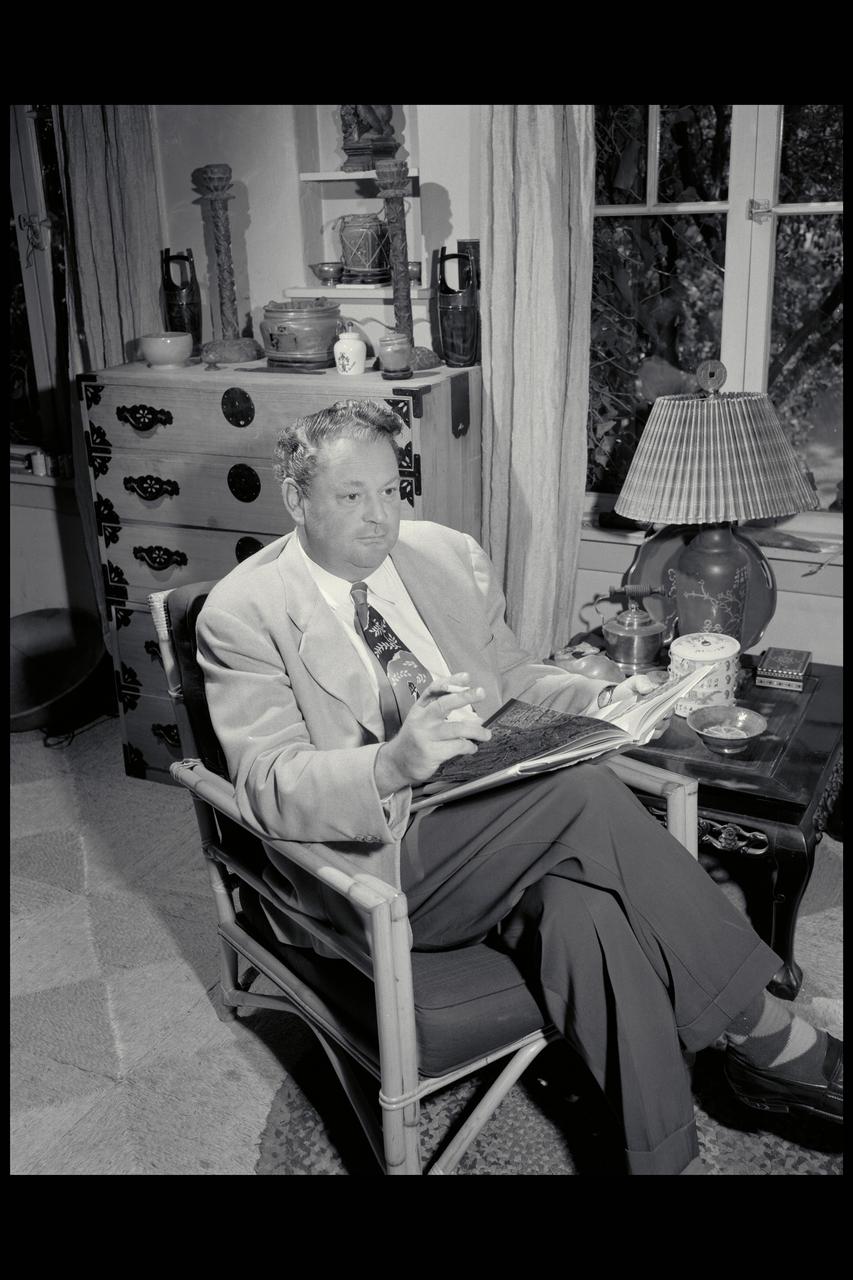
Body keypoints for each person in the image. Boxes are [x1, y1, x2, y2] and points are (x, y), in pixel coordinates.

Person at [196, 398, 843, 1175]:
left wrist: (604, 698)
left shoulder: (442, 555)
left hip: (499, 813)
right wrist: (391, 763)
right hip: (383, 857)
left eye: (391, 489)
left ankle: (661, 1159)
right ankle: (761, 1028)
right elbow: (268, 781)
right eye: (351, 495)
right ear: (295, 499)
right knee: (583, 794)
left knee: (584, 911)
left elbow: (512, 678)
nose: (380, 517)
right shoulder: (244, 613)